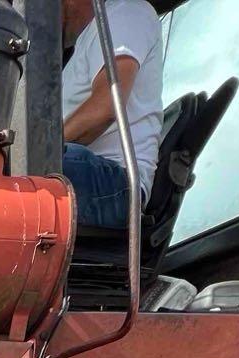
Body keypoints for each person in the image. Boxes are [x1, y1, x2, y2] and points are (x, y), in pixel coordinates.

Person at [59, 0, 165, 231]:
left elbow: (105, 107)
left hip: (113, 184)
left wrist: (36, 152)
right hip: (80, 170)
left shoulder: (126, 13)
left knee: (9, 181)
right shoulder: (83, 46)